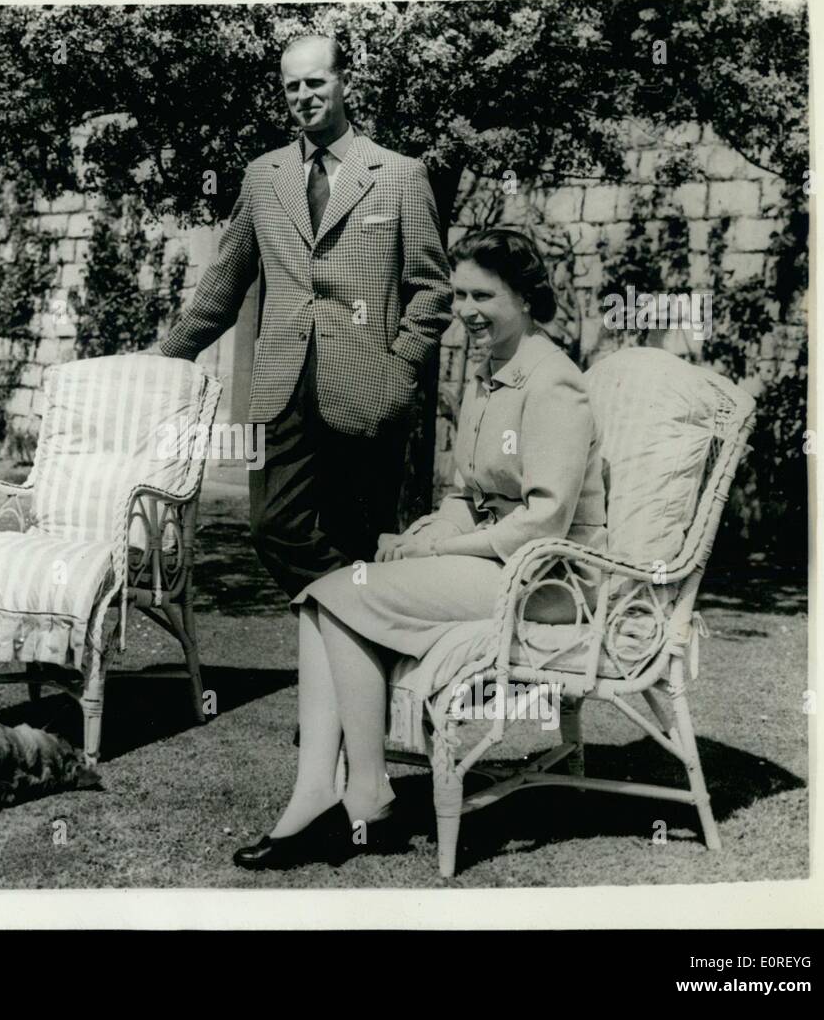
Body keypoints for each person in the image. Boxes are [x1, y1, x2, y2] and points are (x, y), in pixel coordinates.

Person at [232, 228, 608, 870]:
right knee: (321, 597)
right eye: (458, 295)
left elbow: (543, 523)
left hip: (548, 581)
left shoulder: (552, 384)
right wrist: (423, 537)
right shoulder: (491, 375)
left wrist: (448, 550)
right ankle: (323, 788)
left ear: (523, 296)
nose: (466, 311)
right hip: (496, 561)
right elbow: (468, 492)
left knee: (337, 592)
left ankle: (366, 789)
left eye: (483, 295)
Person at [159, 34, 452, 598]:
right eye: (292, 86)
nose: (303, 95)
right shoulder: (264, 177)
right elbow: (223, 283)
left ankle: (352, 672)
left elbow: (431, 290)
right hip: (280, 389)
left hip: (368, 387)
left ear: (345, 83)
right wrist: (168, 357)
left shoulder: (399, 175)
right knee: (274, 529)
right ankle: (367, 617)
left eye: (315, 82)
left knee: (359, 536)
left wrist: (400, 368)